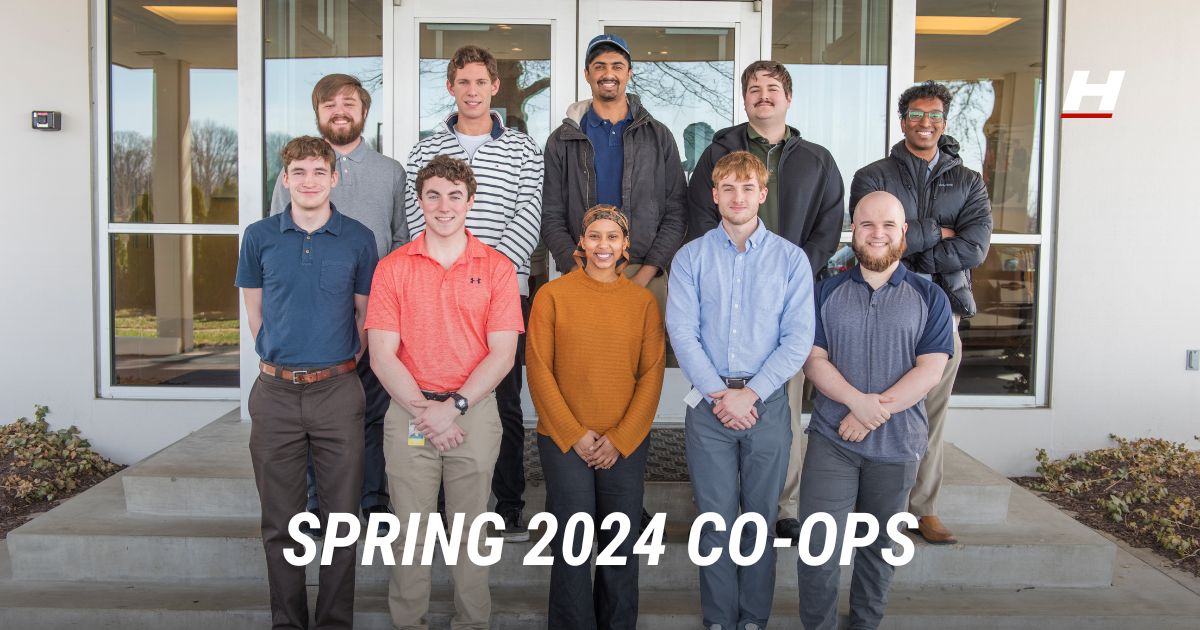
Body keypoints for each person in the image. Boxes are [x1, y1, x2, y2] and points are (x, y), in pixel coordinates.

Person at [685, 59, 844, 542]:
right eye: (754, 88)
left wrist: (792, 268)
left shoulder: (816, 159)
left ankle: (781, 503)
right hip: (726, 289)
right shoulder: (720, 150)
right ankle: (718, 500)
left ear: (788, 97)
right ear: (745, 98)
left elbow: (829, 224)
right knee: (715, 402)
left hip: (784, 293)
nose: (763, 95)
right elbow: (698, 213)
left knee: (783, 404)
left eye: (773, 88)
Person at [365, 155, 523, 630]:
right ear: (419, 201)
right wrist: (427, 412)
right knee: (410, 532)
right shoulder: (393, 268)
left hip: (472, 412)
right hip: (409, 410)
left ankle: (472, 623)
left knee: (470, 532)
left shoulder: (497, 268)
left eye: (455, 196)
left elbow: (503, 354)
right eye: (433, 195)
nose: (444, 205)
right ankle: (407, 623)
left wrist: (452, 408)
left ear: (470, 202)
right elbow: (382, 355)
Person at [667, 151, 814, 630]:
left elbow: (797, 340)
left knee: (759, 519)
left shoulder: (790, 260)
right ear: (714, 195)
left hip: (766, 406)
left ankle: (752, 619)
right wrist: (719, 393)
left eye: (747, 188)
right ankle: (718, 618)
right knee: (714, 519)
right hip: (709, 408)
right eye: (728, 188)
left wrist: (750, 394)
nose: (737, 197)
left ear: (762, 195)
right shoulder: (690, 257)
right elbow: (682, 332)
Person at [237, 136, 378, 629]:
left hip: (337, 392)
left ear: (334, 178)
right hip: (275, 394)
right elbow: (255, 313)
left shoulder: (359, 238)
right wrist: (284, 360)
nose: (309, 181)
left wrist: (334, 365)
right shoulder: (259, 236)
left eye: (319, 171)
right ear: (285, 178)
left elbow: (364, 317)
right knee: (281, 523)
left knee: (342, 522)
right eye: (299, 171)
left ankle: (335, 622)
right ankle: (288, 622)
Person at [404, 44, 544, 542]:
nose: (472, 90)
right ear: (451, 87)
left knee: (503, 400)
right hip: (436, 293)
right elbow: (416, 217)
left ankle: (507, 506)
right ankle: (445, 509)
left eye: (481, 81)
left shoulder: (524, 150)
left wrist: (487, 277)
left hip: (503, 293)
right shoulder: (424, 150)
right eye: (463, 81)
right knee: (439, 392)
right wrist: (452, 273)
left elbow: (529, 216)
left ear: (495, 87)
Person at [796, 191, 954, 630]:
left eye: (887, 225)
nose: (877, 233)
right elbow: (814, 361)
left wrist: (870, 413)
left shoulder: (931, 296)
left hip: (898, 445)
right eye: (867, 224)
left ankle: (865, 624)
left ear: (903, 232)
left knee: (879, 548)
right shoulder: (825, 292)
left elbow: (930, 370)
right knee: (818, 547)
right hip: (833, 441)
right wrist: (856, 402)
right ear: (854, 230)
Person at [849, 80, 993, 545]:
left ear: (944, 122)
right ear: (902, 121)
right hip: (883, 304)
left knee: (931, 411)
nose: (924, 123)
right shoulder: (873, 176)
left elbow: (975, 248)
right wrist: (940, 231)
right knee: (877, 401)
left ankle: (923, 507)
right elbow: (876, 242)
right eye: (915, 115)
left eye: (933, 115)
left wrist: (913, 242)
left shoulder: (968, 182)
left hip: (943, 306)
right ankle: (874, 508)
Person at [269, 73, 409, 535]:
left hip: (377, 317)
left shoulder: (390, 172)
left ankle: (373, 501)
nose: (340, 110)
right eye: (329, 104)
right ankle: (318, 505)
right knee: (314, 421)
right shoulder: (297, 171)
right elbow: (279, 242)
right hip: (314, 322)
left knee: (373, 415)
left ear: (364, 111)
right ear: (317, 113)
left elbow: (401, 241)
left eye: (349, 102)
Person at [526, 205, 665, 629]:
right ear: (581, 244)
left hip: (624, 443)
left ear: (625, 246)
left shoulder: (642, 302)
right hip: (564, 440)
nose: (603, 245)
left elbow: (652, 375)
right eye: (595, 236)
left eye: (612, 237)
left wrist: (621, 438)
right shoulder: (552, 296)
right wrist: (574, 433)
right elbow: (539, 370)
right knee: (572, 545)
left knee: (619, 548)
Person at [542, 33, 687, 316]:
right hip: (582, 271)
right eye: (599, 66)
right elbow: (551, 214)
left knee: (646, 347)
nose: (608, 74)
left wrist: (646, 274)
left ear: (629, 73)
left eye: (617, 66)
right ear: (587, 74)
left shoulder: (658, 136)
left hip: (643, 272)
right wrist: (576, 270)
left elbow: (676, 211)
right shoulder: (563, 139)